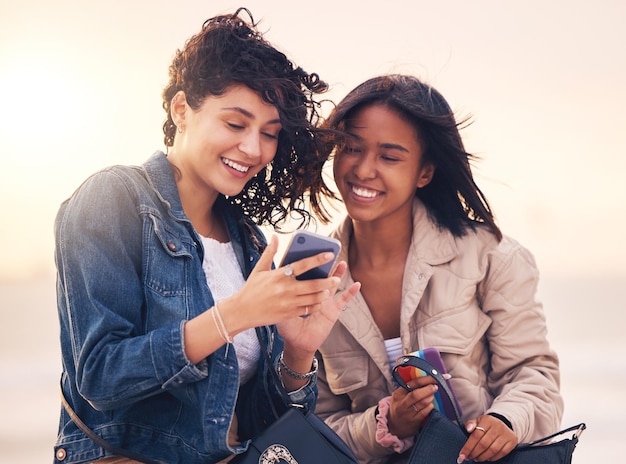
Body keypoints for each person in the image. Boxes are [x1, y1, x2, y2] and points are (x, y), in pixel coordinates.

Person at [53, 8, 360, 464]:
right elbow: (99, 376)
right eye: (236, 124)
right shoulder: (113, 198)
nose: (254, 149)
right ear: (182, 109)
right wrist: (233, 315)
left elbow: (265, 431)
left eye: (269, 134)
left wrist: (297, 355)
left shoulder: (248, 243)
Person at [314, 74, 563, 464]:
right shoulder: (313, 276)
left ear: (424, 172)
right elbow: (316, 426)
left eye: (390, 157)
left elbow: (535, 375)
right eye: (351, 148)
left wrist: (505, 421)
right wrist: (387, 424)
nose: (363, 170)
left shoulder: (490, 257)